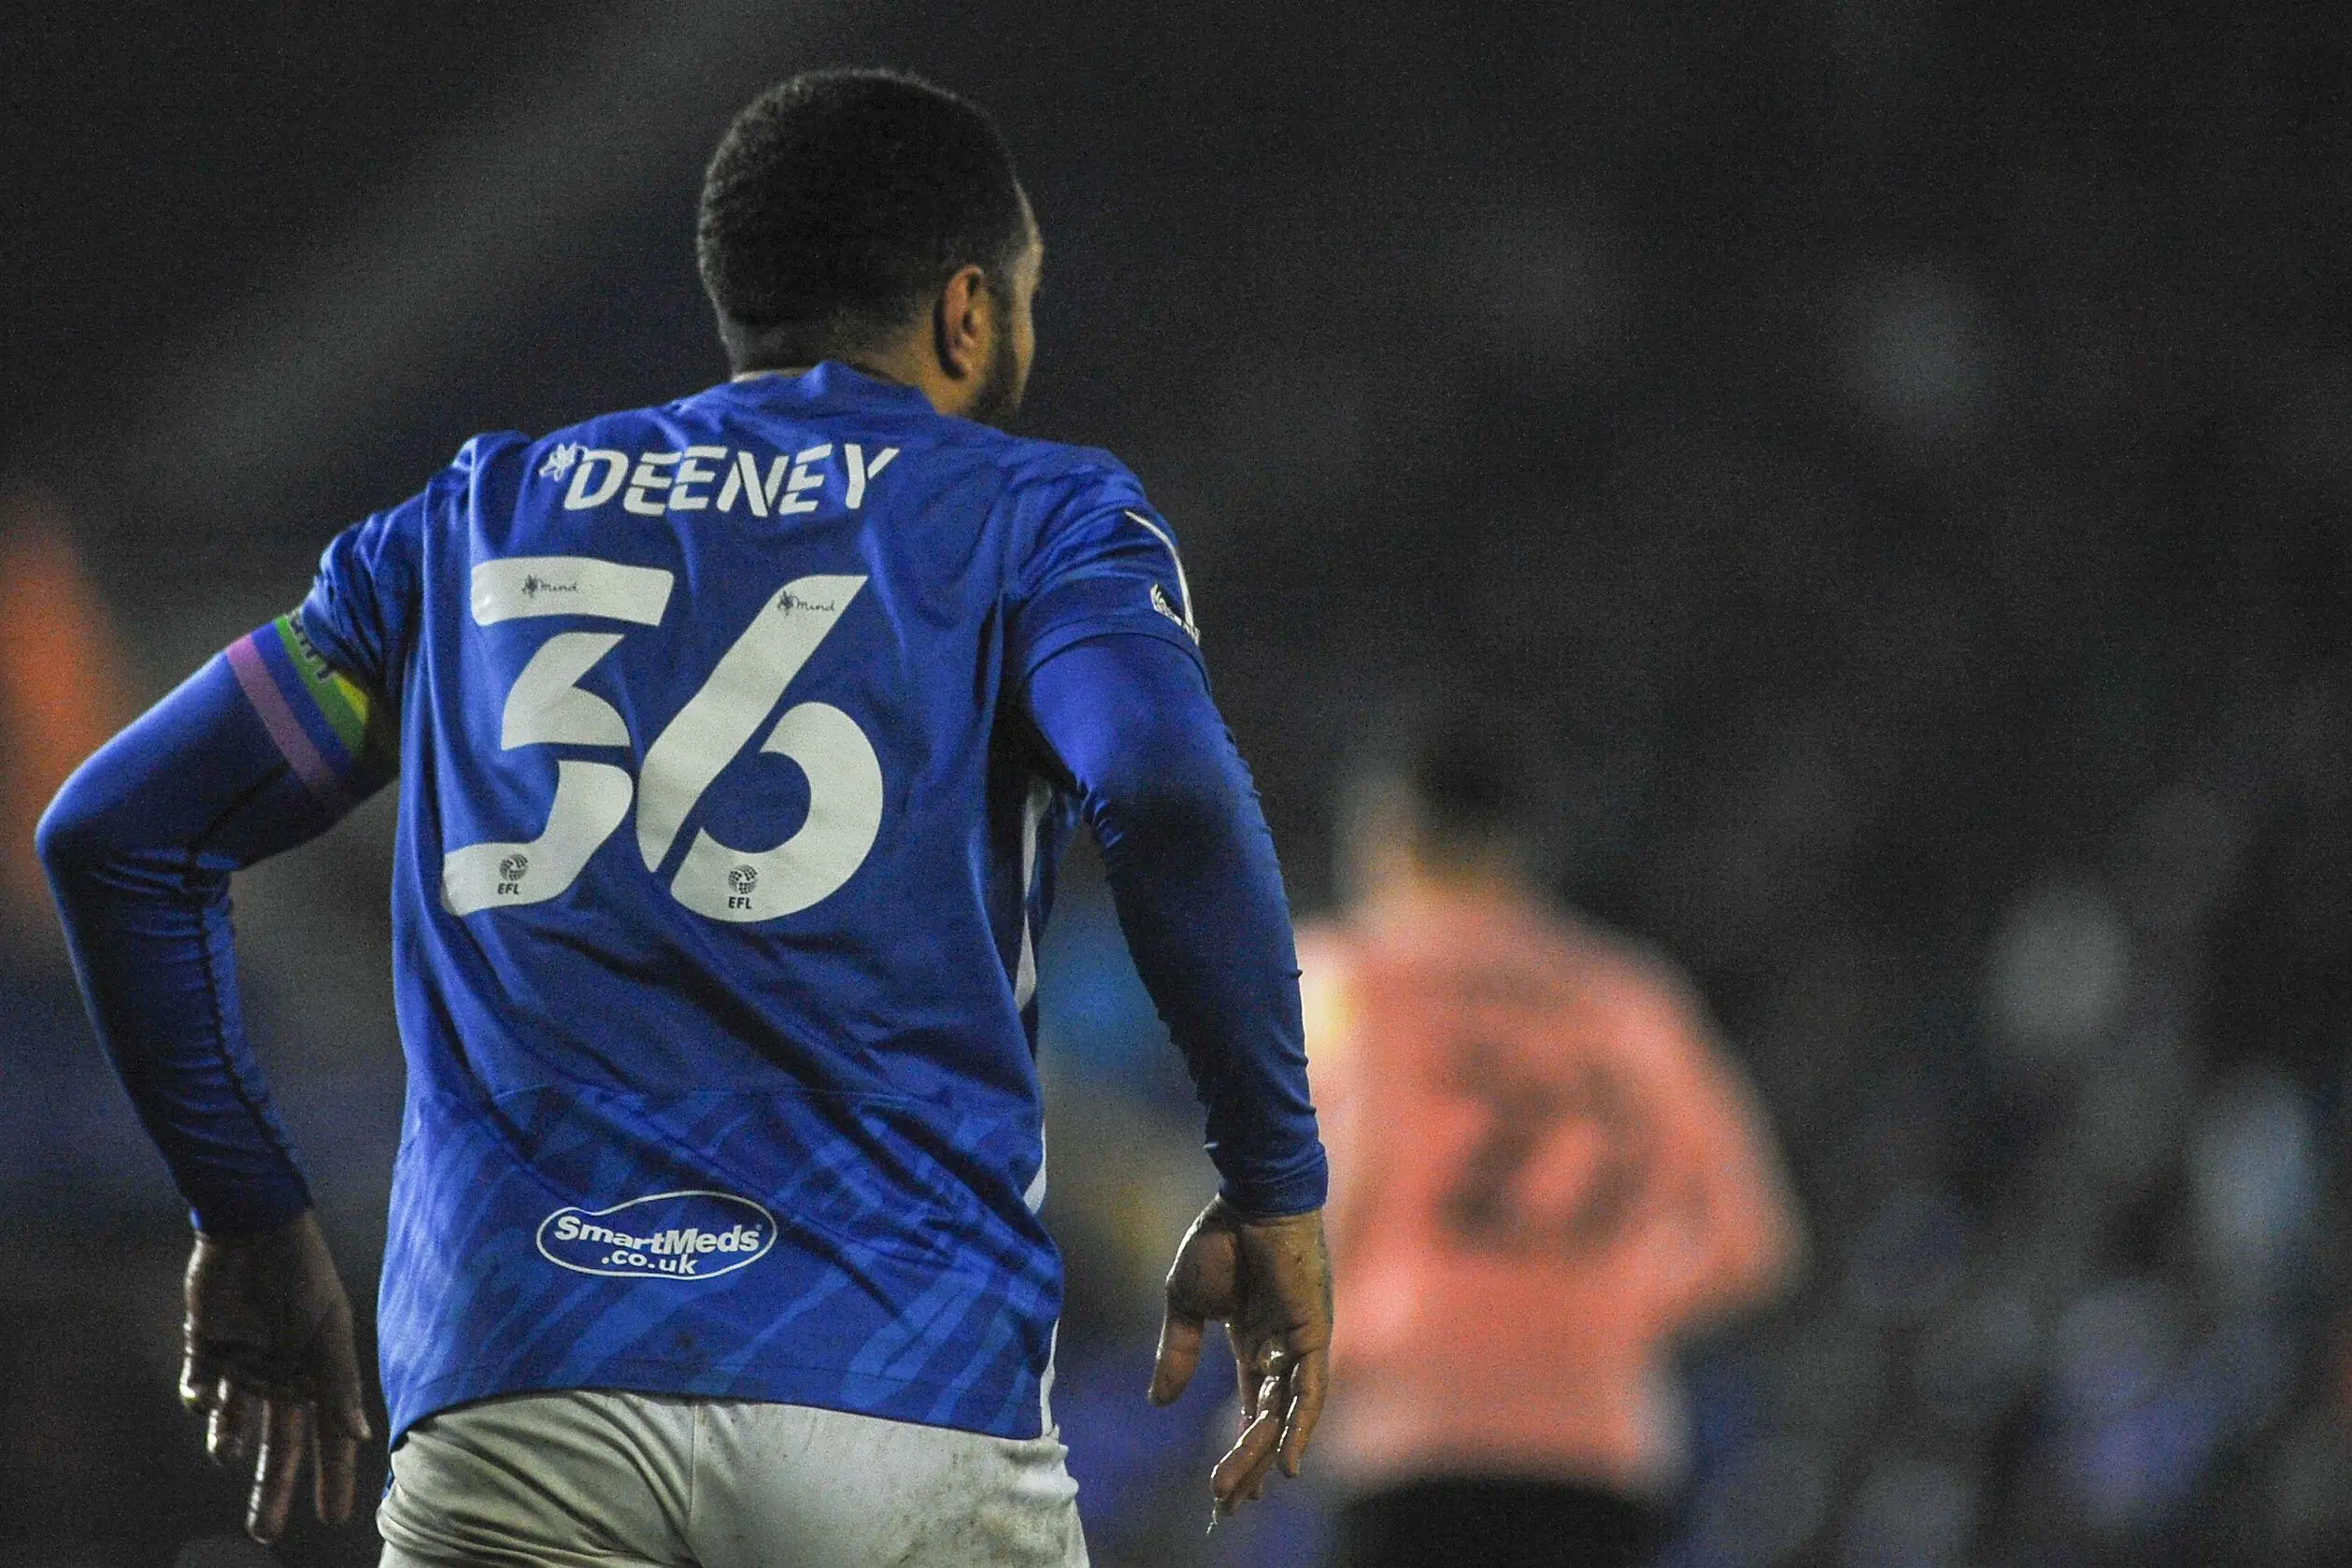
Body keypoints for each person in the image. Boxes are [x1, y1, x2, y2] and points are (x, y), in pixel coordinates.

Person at [37, 69, 1331, 1568]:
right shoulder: (1036, 520)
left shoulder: (468, 526)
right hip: (896, 1394)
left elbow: (121, 834)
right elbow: (1162, 784)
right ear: (970, 311)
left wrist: (255, 1220)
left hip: (523, 1398)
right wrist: (1274, 1182)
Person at [1302, 708, 1801, 1568]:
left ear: (1391, 837)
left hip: (1414, 1432)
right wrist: (1602, 1310)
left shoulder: (1350, 979)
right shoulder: (1634, 1000)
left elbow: (1332, 1186)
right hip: (1599, 1450)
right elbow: (1750, 1241)